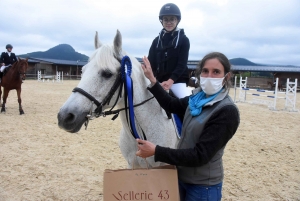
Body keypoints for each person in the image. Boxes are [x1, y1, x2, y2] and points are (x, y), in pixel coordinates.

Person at [137, 52, 240, 201]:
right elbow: (171, 105)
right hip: (181, 178)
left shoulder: (226, 111)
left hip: (203, 187)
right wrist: (153, 80)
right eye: (205, 71)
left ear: (227, 77)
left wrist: (156, 151)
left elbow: (200, 155)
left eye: (216, 72)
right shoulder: (197, 98)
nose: (209, 76)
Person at [148, 3, 190, 98]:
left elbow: (182, 64)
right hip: (159, 81)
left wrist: (171, 80)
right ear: (161, 21)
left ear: (177, 20)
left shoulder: (184, 40)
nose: (168, 22)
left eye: (172, 19)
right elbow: (151, 63)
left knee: (188, 105)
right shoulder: (156, 41)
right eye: (165, 19)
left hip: (177, 81)